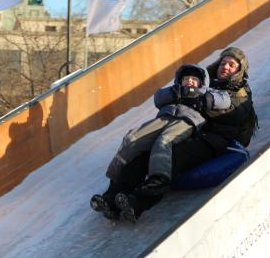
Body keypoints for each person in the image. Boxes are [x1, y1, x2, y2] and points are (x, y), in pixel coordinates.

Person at [93, 47, 258, 223]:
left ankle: (138, 201)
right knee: (145, 153)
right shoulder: (203, 82)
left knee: (171, 154)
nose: (225, 67)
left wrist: (202, 101)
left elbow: (235, 114)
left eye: (232, 65)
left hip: (212, 139)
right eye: (223, 62)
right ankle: (114, 195)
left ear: (239, 70)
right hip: (189, 129)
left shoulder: (240, 93)